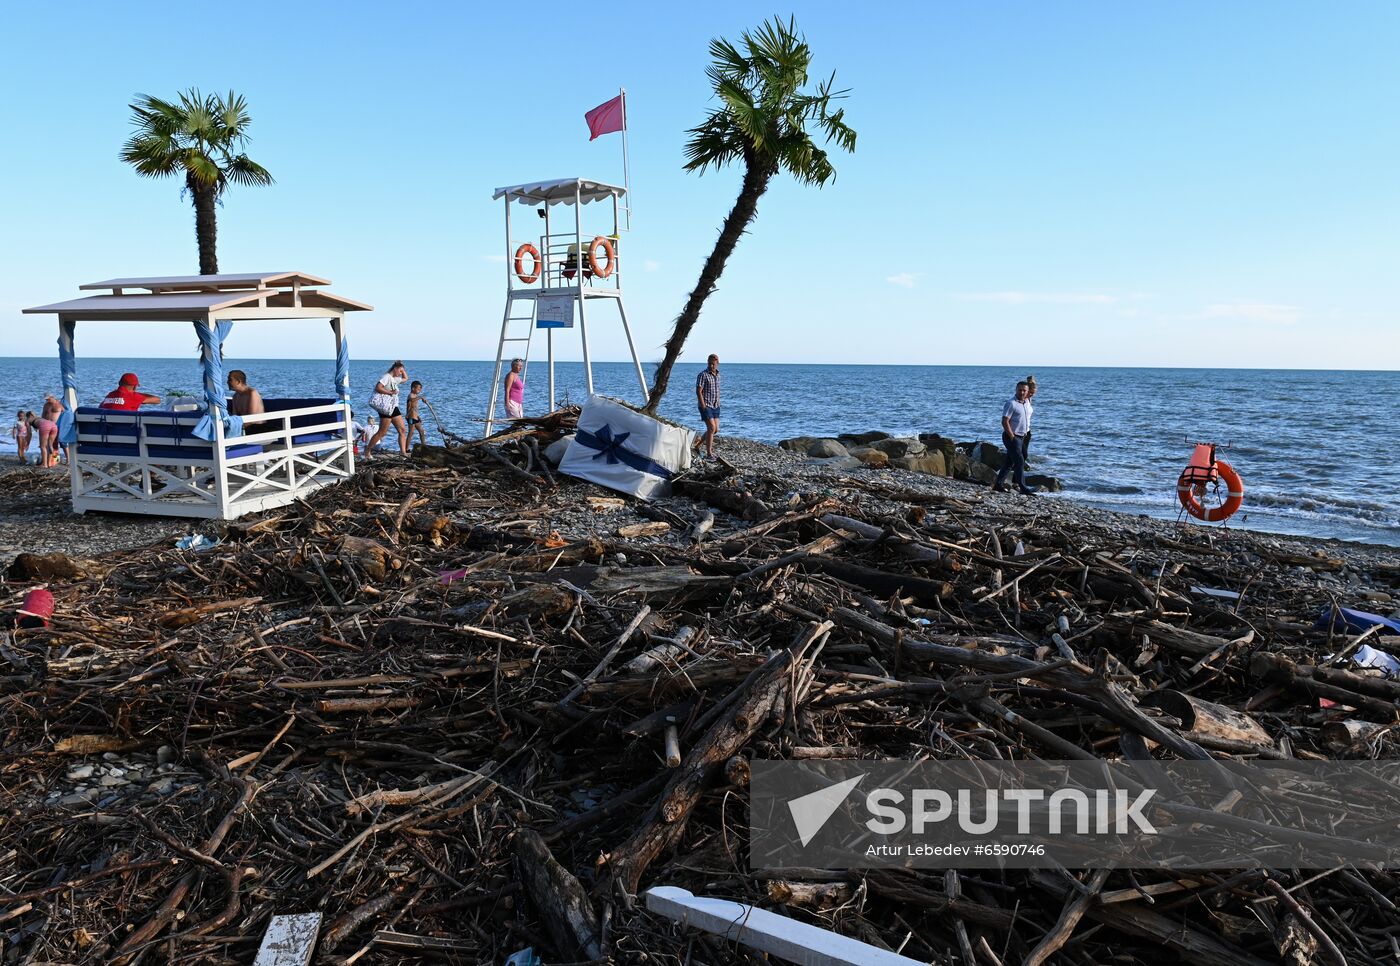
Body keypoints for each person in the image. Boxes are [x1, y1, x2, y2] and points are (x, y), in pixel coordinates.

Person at [993, 381, 1036, 495]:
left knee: (1010, 461)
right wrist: (1011, 436)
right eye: (1019, 390)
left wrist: (1031, 381)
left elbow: (1033, 390)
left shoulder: (1027, 401)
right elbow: (1004, 421)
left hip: (1023, 436)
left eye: (1024, 390)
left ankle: (998, 484)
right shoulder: (1011, 403)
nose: (1021, 392)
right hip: (1012, 436)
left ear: (1027, 392)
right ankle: (1023, 488)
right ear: (1016, 390)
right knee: (1019, 460)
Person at [366, 361, 410, 457]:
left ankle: (403, 452)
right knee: (382, 432)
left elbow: (406, 378)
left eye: (402, 371)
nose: (401, 373)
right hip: (385, 408)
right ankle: (367, 451)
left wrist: (401, 367)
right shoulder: (386, 377)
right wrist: (389, 392)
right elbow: (378, 387)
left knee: (402, 430)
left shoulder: (395, 379)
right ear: (395, 369)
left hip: (394, 407)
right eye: (400, 371)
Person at [694, 353, 721, 461]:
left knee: (715, 430)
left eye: (713, 364)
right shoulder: (703, 375)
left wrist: (718, 402)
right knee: (711, 428)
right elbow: (698, 391)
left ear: (717, 363)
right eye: (709, 364)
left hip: (715, 405)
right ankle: (709, 454)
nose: (711, 366)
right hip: (705, 405)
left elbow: (717, 390)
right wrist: (703, 405)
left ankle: (698, 444)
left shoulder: (718, 375)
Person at [1021, 375, 1038, 468]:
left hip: (1027, 432)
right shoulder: (1019, 401)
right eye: (1030, 393)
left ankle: (1016, 481)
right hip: (1018, 432)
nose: (1032, 395)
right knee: (1021, 456)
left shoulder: (1028, 400)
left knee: (1022, 457)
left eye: (1033, 393)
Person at [406, 381, 427, 450]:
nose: (420, 390)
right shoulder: (411, 395)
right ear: (413, 388)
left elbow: (414, 408)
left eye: (420, 389)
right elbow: (411, 400)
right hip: (410, 418)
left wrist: (418, 416)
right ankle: (406, 449)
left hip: (415, 417)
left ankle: (424, 447)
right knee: (411, 432)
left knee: (421, 431)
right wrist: (421, 397)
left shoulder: (415, 396)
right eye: (418, 389)